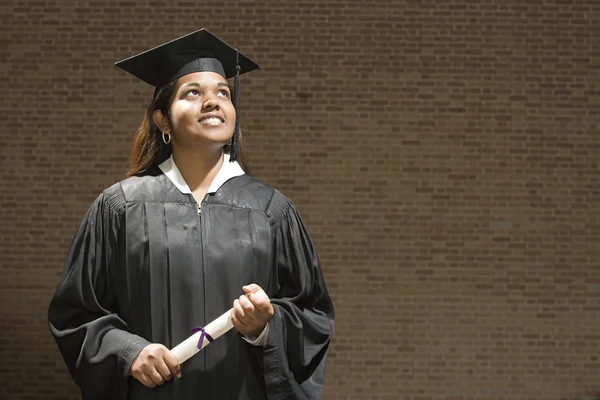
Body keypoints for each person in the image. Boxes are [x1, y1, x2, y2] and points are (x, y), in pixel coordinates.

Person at [48, 28, 335, 400]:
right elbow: (76, 313)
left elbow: (313, 314)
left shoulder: (271, 212)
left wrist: (267, 325)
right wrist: (128, 351)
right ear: (162, 121)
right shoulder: (120, 208)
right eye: (193, 93)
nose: (213, 101)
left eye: (223, 93)